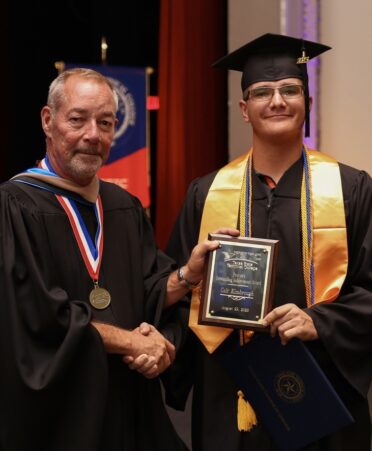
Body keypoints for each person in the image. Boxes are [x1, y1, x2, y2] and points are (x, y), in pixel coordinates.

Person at [164, 33, 372, 450]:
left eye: (290, 90)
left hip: (321, 393)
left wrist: (322, 322)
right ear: (244, 109)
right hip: (228, 393)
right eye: (262, 92)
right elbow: (174, 288)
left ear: (307, 104)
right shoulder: (205, 195)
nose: (277, 101)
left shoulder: (351, 189)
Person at [0, 68, 217, 451]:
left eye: (105, 123)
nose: (92, 135)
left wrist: (186, 275)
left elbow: (145, 290)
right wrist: (132, 342)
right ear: (48, 121)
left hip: (128, 405)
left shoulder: (122, 206)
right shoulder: (15, 206)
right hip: (62, 414)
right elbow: (33, 317)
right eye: (78, 120)